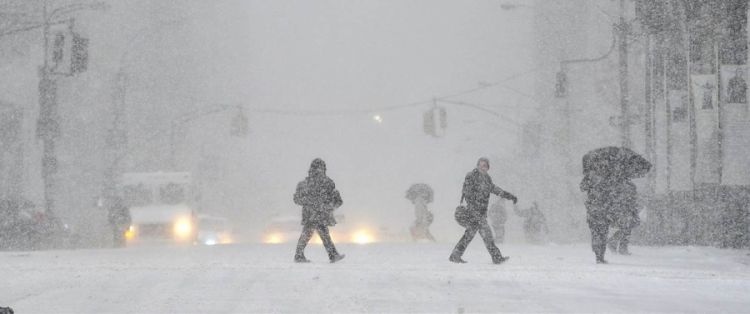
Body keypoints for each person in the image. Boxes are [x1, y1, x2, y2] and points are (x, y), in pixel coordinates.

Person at [449, 157, 517, 264]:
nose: (482, 167)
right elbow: (467, 193)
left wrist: (509, 196)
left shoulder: (487, 179)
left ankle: (455, 255)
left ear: (488, 167)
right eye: (480, 165)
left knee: (471, 234)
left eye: (485, 165)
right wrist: (473, 208)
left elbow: (495, 189)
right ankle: (496, 257)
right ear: (477, 165)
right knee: (486, 235)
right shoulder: (471, 176)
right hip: (474, 212)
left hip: (480, 213)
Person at [293, 158, 345, 263]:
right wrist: (326, 205)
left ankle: (299, 255)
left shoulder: (306, 184)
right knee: (321, 235)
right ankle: (332, 255)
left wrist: (310, 202)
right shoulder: (326, 183)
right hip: (319, 214)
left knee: (309, 234)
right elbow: (336, 200)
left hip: (312, 214)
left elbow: (297, 199)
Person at [607, 181, 640, 255]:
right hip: (623, 211)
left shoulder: (628, 186)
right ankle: (618, 245)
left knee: (626, 229)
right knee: (625, 229)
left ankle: (618, 245)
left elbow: (633, 202)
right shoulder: (621, 187)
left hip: (627, 211)